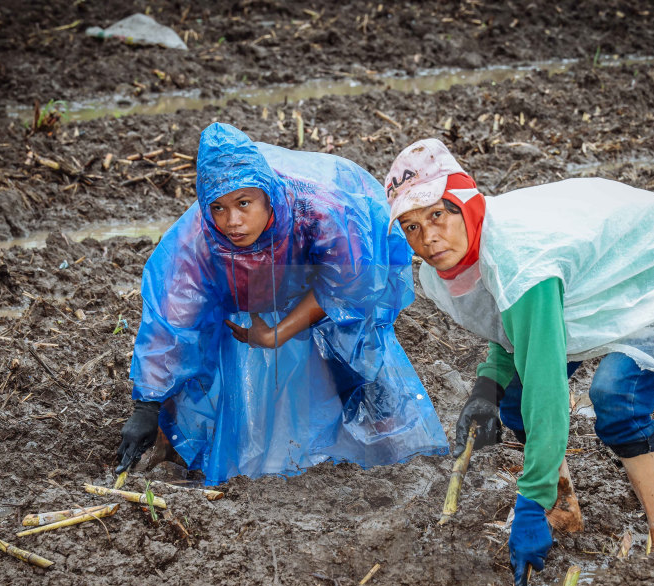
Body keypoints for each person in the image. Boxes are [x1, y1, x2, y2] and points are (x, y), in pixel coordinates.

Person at [383, 139, 654, 586]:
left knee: (616, 398)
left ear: (464, 206)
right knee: (514, 399)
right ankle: (564, 507)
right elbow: (515, 332)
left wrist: (529, 499)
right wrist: (489, 387)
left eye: (437, 215)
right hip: (594, 280)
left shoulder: (521, 260)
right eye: (411, 227)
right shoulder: (453, 263)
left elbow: (547, 385)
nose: (427, 238)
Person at [116, 123, 447, 485]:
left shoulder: (322, 211)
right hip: (246, 305)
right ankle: (183, 442)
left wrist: (278, 333)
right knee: (215, 375)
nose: (232, 222)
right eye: (219, 207)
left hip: (326, 291)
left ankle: (380, 423)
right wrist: (146, 405)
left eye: (244, 203)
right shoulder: (195, 240)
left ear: (267, 196)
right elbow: (171, 322)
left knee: (354, 347)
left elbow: (348, 285)